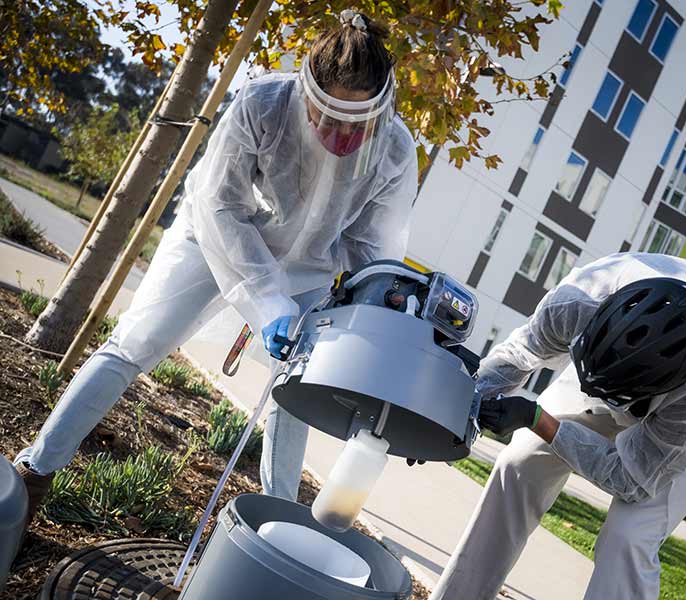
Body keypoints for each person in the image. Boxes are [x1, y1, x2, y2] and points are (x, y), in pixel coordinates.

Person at [14, 9, 417, 528]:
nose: (341, 133)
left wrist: (377, 314)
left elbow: (370, 248)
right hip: (216, 239)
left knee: (295, 393)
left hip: (311, 271)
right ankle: (35, 471)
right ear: (307, 95)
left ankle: (278, 526)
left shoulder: (395, 149)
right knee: (136, 342)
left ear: (378, 112)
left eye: (356, 122)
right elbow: (221, 206)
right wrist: (266, 298)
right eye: (330, 119)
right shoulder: (263, 103)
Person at [430, 252, 686, 600]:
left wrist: (536, 418)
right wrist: (450, 414)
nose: (596, 400)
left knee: (628, 537)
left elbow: (632, 481)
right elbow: (518, 355)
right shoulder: (583, 296)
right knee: (519, 464)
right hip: (617, 352)